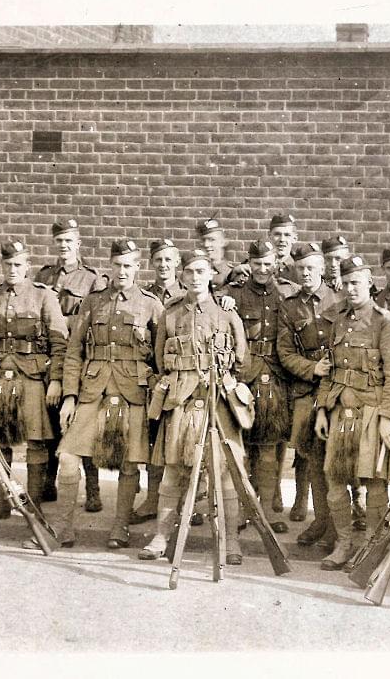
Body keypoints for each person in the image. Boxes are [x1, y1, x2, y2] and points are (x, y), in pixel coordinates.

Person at [50, 239, 164, 549]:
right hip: (92, 390)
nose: (122, 271)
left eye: (128, 265)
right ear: (110, 266)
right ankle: (63, 527)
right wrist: (70, 397)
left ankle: (120, 527)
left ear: (137, 268)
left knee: (130, 464)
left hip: (133, 392)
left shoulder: (151, 304)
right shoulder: (93, 301)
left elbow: (161, 355)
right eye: (117, 265)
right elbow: (74, 351)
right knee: (69, 456)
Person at [138, 249, 249, 565]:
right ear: (183, 276)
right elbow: (160, 360)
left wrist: (224, 378)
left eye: (202, 271)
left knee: (225, 474)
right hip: (182, 404)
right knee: (173, 472)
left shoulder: (226, 313)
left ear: (212, 275)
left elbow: (242, 359)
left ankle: (231, 543)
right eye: (190, 272)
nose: (196, 277)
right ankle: (161, 536)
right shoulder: (170, 314)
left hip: (218, 403)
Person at [0, 239, 68, 542]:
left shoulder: (43, 297)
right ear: (2, 265)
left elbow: (59, 343)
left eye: (18, 265)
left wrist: (57, 380)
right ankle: (1, 502)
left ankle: (34, 508)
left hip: (33, 378)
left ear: (27, 267)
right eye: (8, 264)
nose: (12, 270)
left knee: (36, 444)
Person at [313, 255, 390, 571]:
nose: (351, 288)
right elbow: (330, 370)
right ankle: (343, 544)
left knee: (374, 482)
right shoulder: (339, 322)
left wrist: (387, 419)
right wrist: (323, 410)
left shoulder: (384, 323)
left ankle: (370, 545)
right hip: (341, 411)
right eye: (346, 282)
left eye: (357, 282)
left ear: (369, 283)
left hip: (372, 411)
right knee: (334, 478)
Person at [33, 219, 107, 512]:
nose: (63, 246)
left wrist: (61, 322)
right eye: (59, 241)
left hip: (78, 357)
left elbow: (97, 319)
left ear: (78, 244)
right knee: (50, 419)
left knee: (81, 424)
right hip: (49, 356)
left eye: (69, 241)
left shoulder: (92, 279)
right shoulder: (44, 275)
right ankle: (50, 481)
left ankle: (92, 488)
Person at [224, 240, 299, 533]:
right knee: (242, 448)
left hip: (277, 377)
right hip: (245, 377)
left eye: (268, 264)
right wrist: (226, 300)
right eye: (257, 264)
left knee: (269, 448)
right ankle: (243, 509)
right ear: (249, 264)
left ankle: (266, 511)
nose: (263, 270)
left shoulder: (287, 294)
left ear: (276, 264)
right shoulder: (234, 295)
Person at [278, 242, 340, 549]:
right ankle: (321, 519)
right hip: (306, 389)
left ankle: (338, 526)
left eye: (311, 268)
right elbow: (285, 352)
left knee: (336, 457)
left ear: (322, 269)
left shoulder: (339, 300)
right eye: (300, 268)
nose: (305, 274)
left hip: (339, 388)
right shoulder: (290, 306)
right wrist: (311, 369)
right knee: (313, 456)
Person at [130, 237, 185, 526]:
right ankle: (152, 499)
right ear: (151, 264)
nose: (163, 265)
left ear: (177, 262)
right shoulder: (144, 296)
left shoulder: (191, 293)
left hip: (181, 379)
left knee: (181, 441)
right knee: (153, 440)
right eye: (158, 260)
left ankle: (185, 503)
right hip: (152, 379)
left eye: (168, 260)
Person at [196, 218, 237, 292]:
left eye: (211, 240)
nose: (206, 244)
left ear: (223, 242)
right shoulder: (193, 270)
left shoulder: (231, 273)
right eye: (203, 240)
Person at [267, 214, 298, 279]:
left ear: (294, 238)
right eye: (277, 234)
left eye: (287, 235)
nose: (282, 239)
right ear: (269, 236)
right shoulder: (258, 265)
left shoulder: (300, 268)